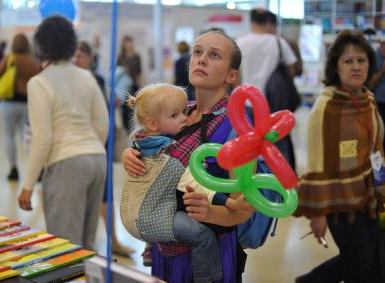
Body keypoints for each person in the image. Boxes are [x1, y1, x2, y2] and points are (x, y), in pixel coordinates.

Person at [122, 30, 254, 283]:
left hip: (206, 255)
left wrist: (210, 213)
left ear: (232, 75)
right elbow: (152, 150)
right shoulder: (178, 113)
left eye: (214, 55)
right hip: (165, 249)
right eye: (197, 52)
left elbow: (243, 207)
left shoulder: (237, 126)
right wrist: (131, 154)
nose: (202, 59)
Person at [295, 30, 385, 283]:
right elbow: (315, 163)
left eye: (361, 60)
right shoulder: (326, 107)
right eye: (348, 61)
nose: (356, 66)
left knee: (368, 260)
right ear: (336, 66)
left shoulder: (368, 99)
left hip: (367, 199)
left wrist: (381, 190)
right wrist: (318, 213)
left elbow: (376, 151)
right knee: (362, 264)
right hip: (337, 203)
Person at [17, 16, 109, 250]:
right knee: (88, 243)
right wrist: (88, 149)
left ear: (39, 46)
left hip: (66, 164)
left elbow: (43, 138)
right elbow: (103, 124)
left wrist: (28, 185)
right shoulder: (86, 76)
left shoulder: (39, 83)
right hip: (97, 160)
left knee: (65, 248)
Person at [73, 41, 135, 257]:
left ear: (90, 59)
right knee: (79, 196)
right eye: (74, 55)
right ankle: (79, 244)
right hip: (77, 146)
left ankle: (114, 241)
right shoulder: (70, 80)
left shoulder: (97, 79)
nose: (76, 59)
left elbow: (104, 107)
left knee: (105, 195)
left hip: (99, 143)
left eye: (80, 55)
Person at [236, 8, 298, 170]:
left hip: (247, 104)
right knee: (277, 144)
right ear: (269, 22)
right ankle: (281, 183)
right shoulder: (277, 42)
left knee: (250, 145)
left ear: (251, 21)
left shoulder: (240, 43)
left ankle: (254, 179)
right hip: (273, 104)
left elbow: (236, 76)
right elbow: (291, 71)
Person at [0, 33, 40, 181]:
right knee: (27, 138)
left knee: (9, 137)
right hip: (27, 104)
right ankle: (36, 172)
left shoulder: (10, 58)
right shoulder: (34, 61)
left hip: (9, 103)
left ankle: (13, 170)